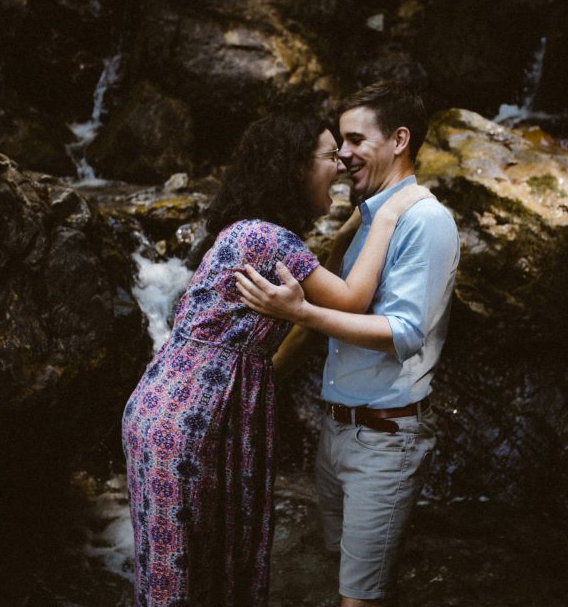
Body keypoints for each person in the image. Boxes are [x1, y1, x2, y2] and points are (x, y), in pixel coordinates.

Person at [121, 112, 430, 607]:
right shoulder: (268, 239)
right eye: (331, 156)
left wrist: (358, 219)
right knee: (183, 580)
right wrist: (390, 213)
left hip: (169, 410)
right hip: (194, 417)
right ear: (293, 167)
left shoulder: (250, 232)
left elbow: (320, 285)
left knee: (183, 570)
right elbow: (348, 299)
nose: (342, 164)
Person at [235, 81, 460, 606]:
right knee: (342, 572)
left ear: (400, 140)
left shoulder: (424, 221)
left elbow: (402, 333)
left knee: (359, 598)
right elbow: (345, 300)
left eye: (356, 139)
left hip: (384, 439)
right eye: (339, 141)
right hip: (336, 432)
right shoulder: (369, 218)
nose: (343, 153)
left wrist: (299, 312)